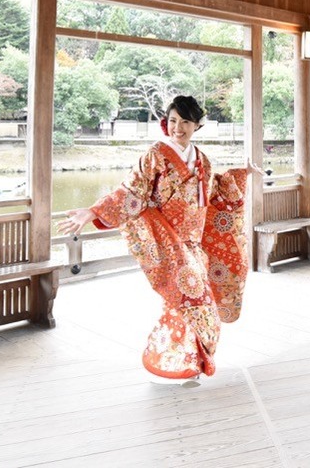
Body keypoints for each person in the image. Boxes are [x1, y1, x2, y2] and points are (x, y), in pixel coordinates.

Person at [58, 95, 260, 384]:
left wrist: (242, 174)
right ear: (166, 122)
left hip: (194, 243)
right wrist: (92, 211)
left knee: (180, 303)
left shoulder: (201, 159)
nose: (178, 128)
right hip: (165, 237)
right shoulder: (155, 155)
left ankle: (172, 361)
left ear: (197, 126)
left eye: (186, 122)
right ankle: (183, 359)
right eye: (174, 121)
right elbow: (131, 192)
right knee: (195, 299)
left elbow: (215, 189)